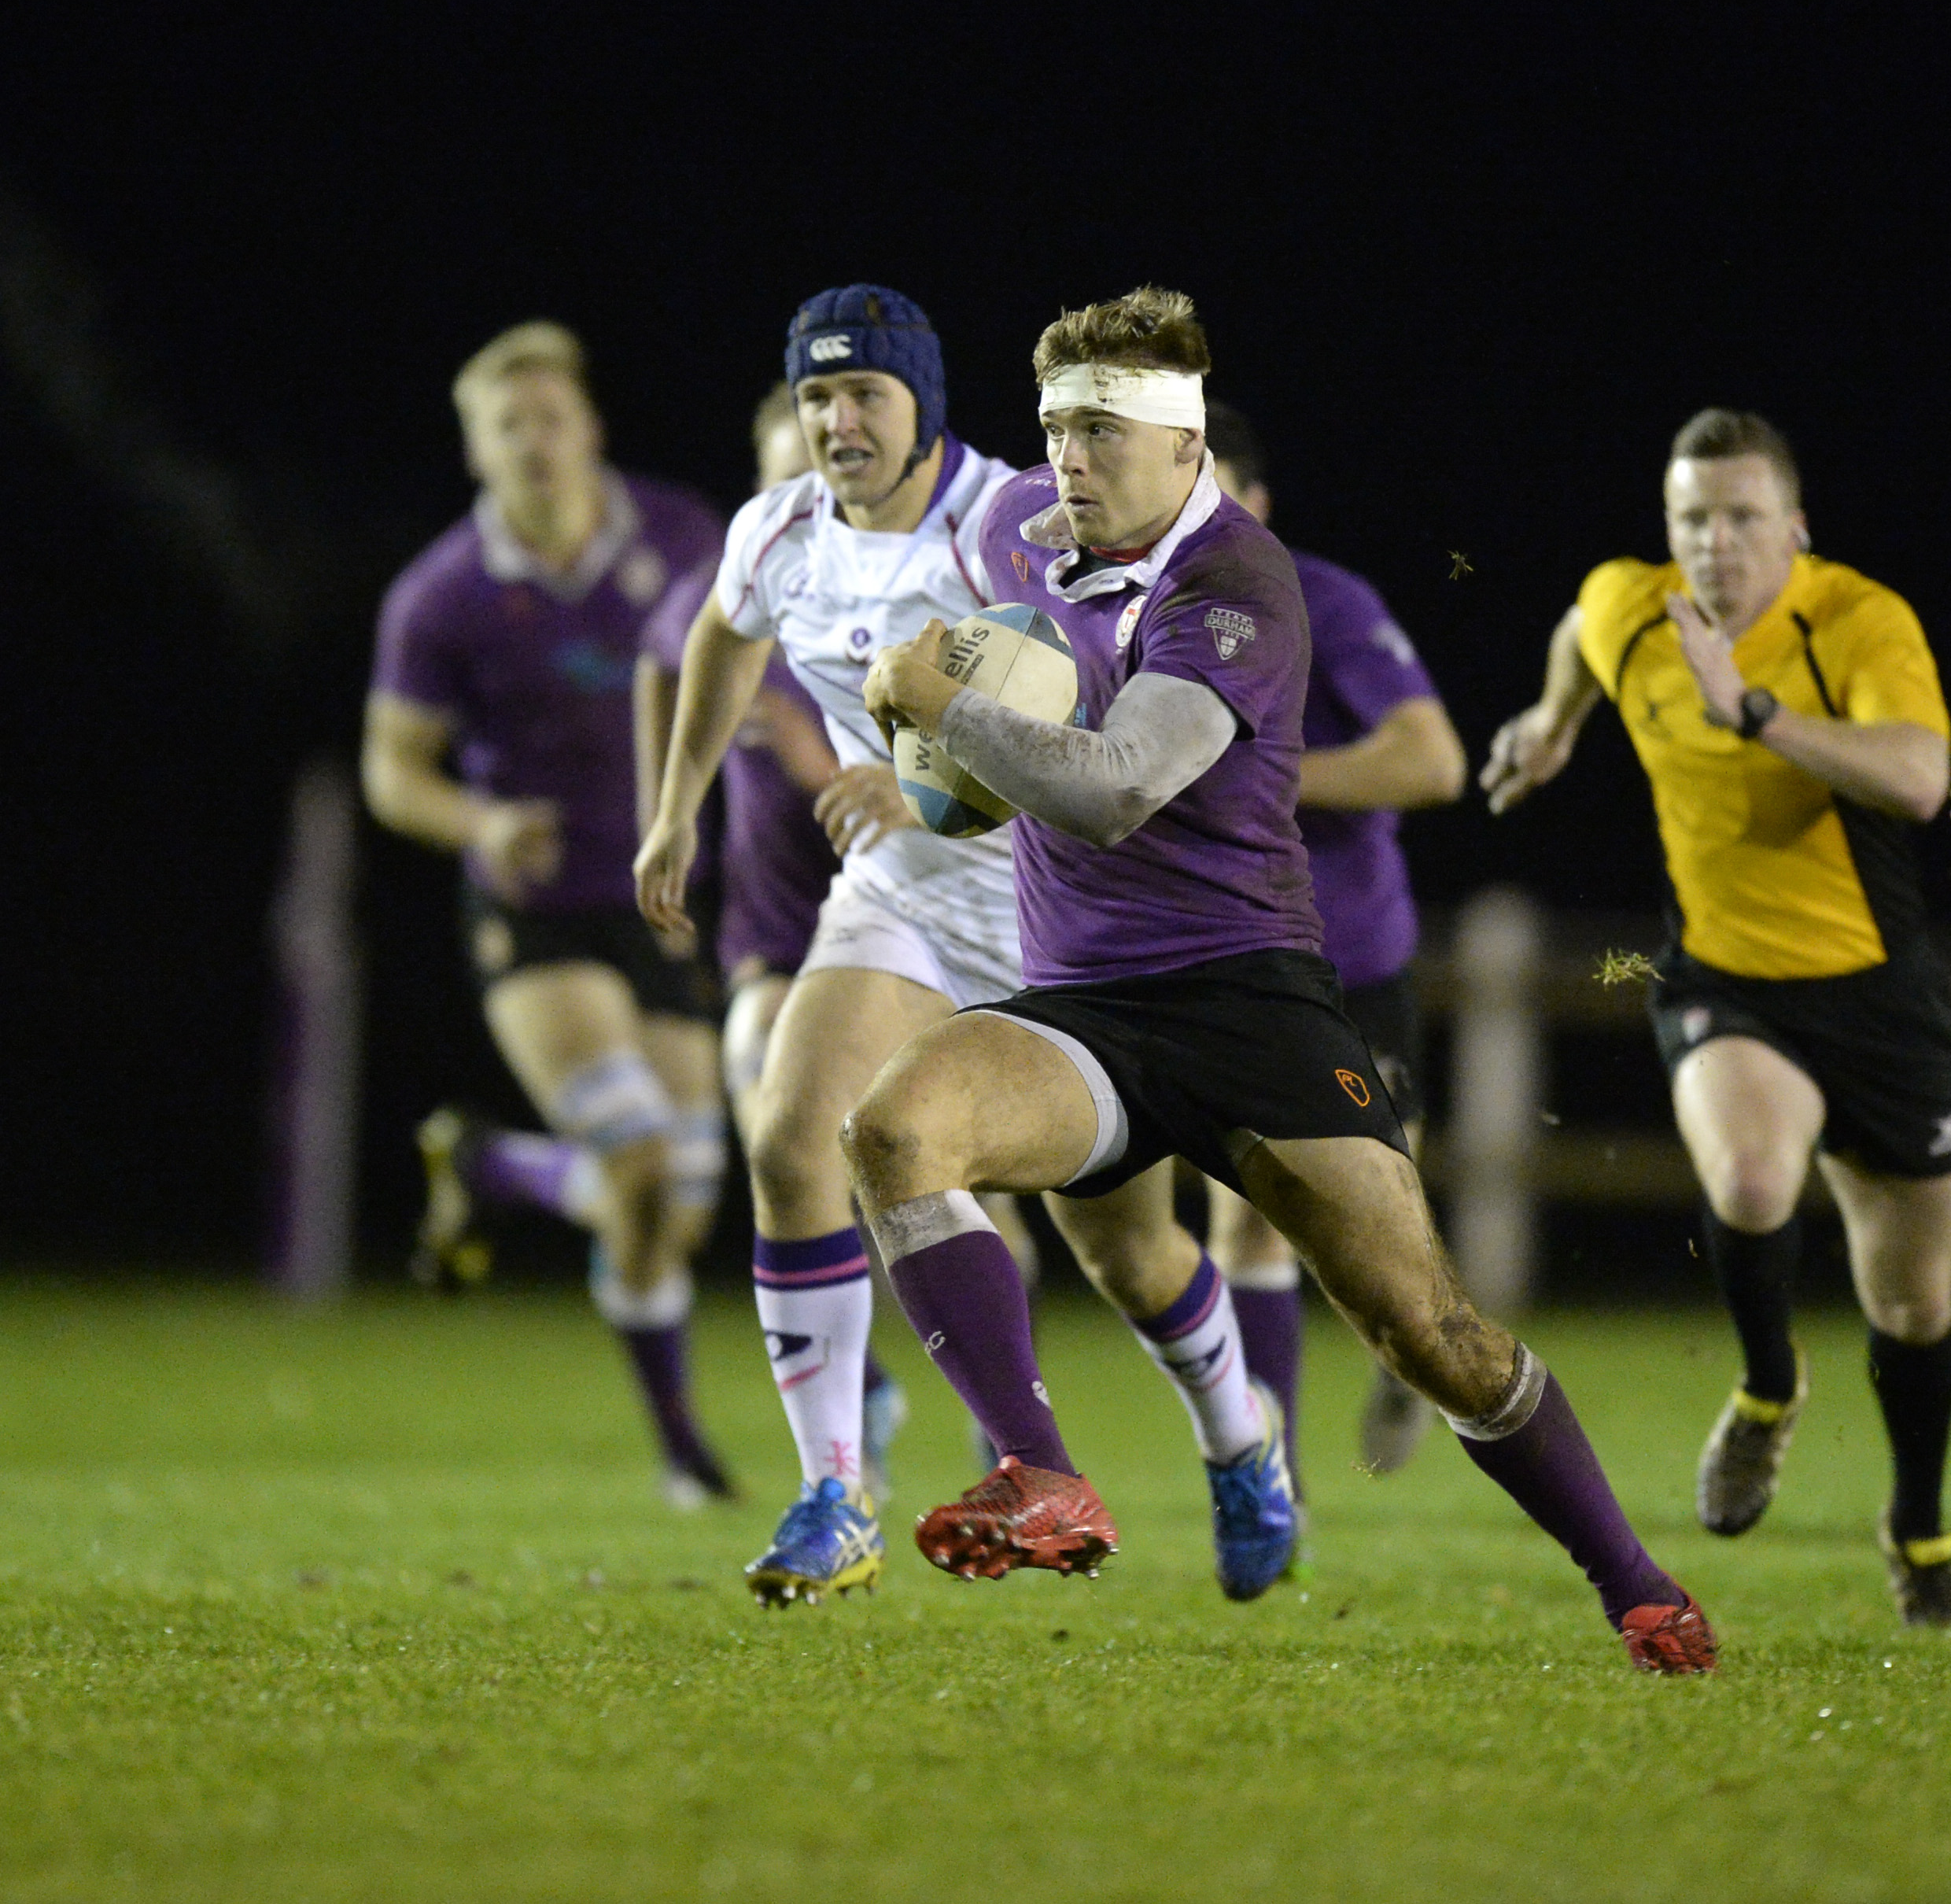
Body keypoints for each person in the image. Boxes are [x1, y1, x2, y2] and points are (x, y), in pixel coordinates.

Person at [843, 286, 1715, 1673]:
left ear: (1187, 449)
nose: (1069, 456)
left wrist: (946, 704)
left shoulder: (1241, 587)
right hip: (1079, 1009)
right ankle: (1039, 1473)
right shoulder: (1015, 524)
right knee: (893, 1130)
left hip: (1247, 1000)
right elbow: (926, 548)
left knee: (1433, 1333)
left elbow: (1117, 790)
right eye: (1057, 425)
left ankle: (1635, 1580)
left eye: (1104, 431)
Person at [636, 288, 1271, 1609]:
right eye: (817, 398)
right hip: (907, 901)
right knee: (790, 1135)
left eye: (866, 393)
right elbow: (719, 637)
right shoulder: (780, 531)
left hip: (1064, 918)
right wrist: (675, 811)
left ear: (924, 404)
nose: (838, 421)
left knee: (1128, 1254)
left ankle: (1240, 1440)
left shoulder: (1007, 521)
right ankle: (836, 1495)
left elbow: (1094, 691)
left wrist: (937, 762)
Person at [1480, 408, 1951, 1629]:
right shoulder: (1629, 606)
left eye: (1743, 517)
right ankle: (1767, 1392)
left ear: (1794, 526)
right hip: (1722, 981)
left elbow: (1920, 780)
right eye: (1692, 518)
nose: (1716, 542)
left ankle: (1920, 1534)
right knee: (1754, 1183)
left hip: (1878, 993)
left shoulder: (1858, 618)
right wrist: (1554, 723)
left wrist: (1749, 708)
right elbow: (1575, 635)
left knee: (1912, 1304)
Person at [363, 319, 734, 1505]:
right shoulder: (442, 594)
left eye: (550, 417)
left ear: (591, 430)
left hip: (664, 903)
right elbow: (391, 771)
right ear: (475, 449)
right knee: (634, 1166)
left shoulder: (684, 538)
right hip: (536, 917)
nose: (533, 441)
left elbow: (756, 676)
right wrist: (479, 826)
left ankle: (497, 1166)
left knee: (677, 1208)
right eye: (505, 424)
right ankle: (685, 1461)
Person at [633, 386, 912, 1512]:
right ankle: (851, 1431)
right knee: (770, 1113)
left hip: (914, 930)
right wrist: (671, 811)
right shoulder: (746, 596)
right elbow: (668, 658)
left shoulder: (914, 595)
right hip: (775, 935)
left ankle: (1013, 1440)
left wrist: (807, 755)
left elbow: (963, 785)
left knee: (949, 1198)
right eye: (781, 468)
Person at [1195, 402, 1467, 1484]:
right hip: (1229, 971)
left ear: (1254, 506)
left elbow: (1434, 761)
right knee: (1254, 1223)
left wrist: (1269, 776)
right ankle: (1280, 1487)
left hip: (1353, 972)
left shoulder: (1324, 603)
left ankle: (1419, 1351)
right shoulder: (1122, 620)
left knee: (1381, 1252)